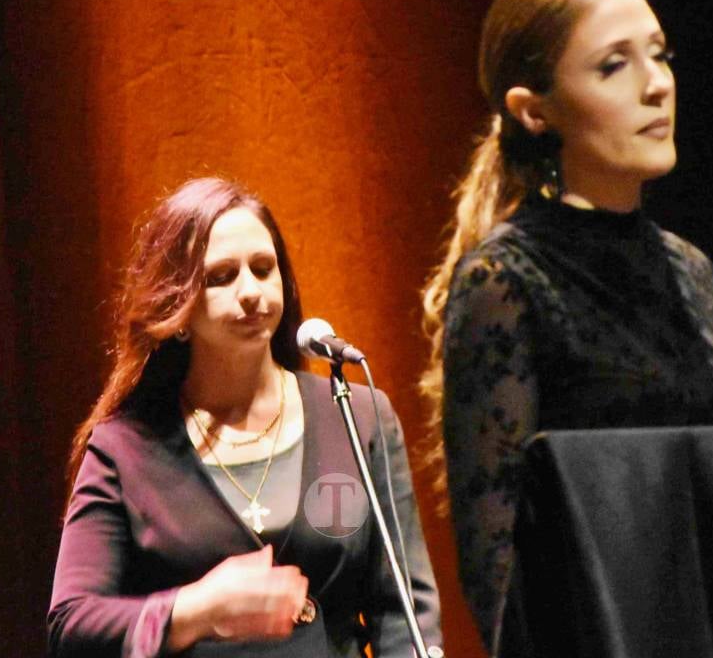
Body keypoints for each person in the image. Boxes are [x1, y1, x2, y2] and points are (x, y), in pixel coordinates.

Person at [418, 0, 713, 656]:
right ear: (534, 110)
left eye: (660, 56)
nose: (657, 84)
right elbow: (497, 563)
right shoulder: (504, 279)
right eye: (614, 66)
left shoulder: (689, 269)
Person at [49, 177, 441, 658]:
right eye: (221, 277)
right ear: (178, 307)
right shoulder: (126, 447)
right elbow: (72, 624)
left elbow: (404, 608)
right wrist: (196, 610)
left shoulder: (356, 415)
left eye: (263, 269)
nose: (251, 292)